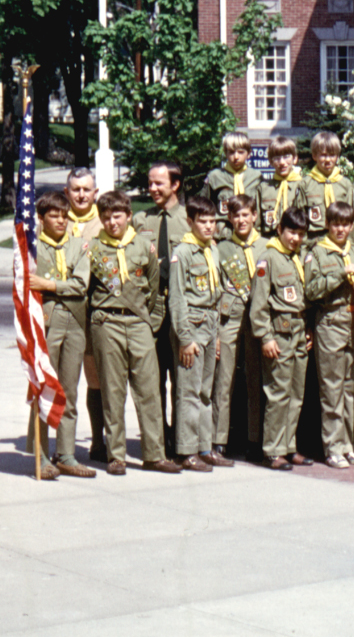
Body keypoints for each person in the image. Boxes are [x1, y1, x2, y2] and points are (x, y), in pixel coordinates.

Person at [88, 191, 182, 475]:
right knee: (112, 390)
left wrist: (149, 323)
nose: (111, 222)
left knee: (149, 390)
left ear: (129, 216)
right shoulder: (93, 249)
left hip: (139, 323)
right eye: (105, 217)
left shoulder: (144, 246)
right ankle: (116, 455)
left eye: (117, 216)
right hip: (107, 323)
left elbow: (154, 289)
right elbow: (87, 289)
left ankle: (154, 454)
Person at [28, 191, 94, 478]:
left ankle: (66, 453)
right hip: (45, 324)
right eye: (53, 216)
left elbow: (81, 285)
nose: (60, 221)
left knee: (68, 389)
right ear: (41, 219)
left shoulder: (78, 246)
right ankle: (41, 453)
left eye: (64, 216)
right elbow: (26, 284)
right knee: (43, 388)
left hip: (75, 323)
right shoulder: (32, 249)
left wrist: (48, 284)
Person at [133, 161, 190, 456]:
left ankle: (182, 441)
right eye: (150, 183)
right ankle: (157, 441)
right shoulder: (141, 220)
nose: (152, 188)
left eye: (159, 183)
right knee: (152, 379)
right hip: (151, 310)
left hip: (181, 309)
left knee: (182, 378)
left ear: (175, 185)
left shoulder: (190, 218)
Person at [170, 196, 230, 472]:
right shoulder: (183, 252)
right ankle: (186, 449)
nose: (209, 227)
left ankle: (205, 447)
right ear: (190, 222)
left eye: (212, 221)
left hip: (209, 323)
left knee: (206, 391)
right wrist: (185, 338)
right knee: (188, 390)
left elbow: (216, 295)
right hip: (191, 326)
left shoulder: (212, 250)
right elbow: (177, 298)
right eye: (202, 222)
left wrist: (216, 334)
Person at [250, 208, 312, 471]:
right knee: (278, 392)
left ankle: (289, 446)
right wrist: (265, 337)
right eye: (291, 232)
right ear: (279, 230)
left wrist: (306, 327)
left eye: (300, 233)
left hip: (298, 330)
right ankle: (273, 450)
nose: (295, 238)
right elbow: (258, 304)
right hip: (279, 333)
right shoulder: (269, 259)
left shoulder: (296, 257)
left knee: (296, 393)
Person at [305, 201, 354, 469]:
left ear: (352, 226)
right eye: (336, 224)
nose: (341, 229)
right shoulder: (317, 252)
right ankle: (332, 448)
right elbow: (311, 289)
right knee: (331, 389)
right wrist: (341, 274)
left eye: (346, 224)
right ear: (327, 225)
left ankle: (348, 445)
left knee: (351, 389)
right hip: (330, 321)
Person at [214, 194, 267, 459]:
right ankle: (219, 440)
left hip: (258, 319)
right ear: (230, 219)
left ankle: (255, 439)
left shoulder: (267, 247)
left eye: (246, 215)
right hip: (230, 317)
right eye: (235, 216)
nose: (241, 220)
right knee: (224, 380)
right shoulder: (221, 248)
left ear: (255, 216)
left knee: (255, 381)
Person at [63, 167, 106, 462]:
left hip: (92, 313)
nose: (81, 194)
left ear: (95, 193)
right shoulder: (54, 222)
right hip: (62, 312)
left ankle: (97, 440)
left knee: (95, 379)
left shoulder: (103, 225)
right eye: (75, 189)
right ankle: (63, 446)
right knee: (64, 381)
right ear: (67, 193)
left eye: (86, 189)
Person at [297, 131, 354, 246]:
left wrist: (351, 245)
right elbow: (300, 218)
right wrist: (303, 245)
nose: (328, 160)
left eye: (332, 155)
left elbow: (352, 219)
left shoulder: (345, 184)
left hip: (340, 242)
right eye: (323, 155)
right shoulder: (305, 184)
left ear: (337, 156)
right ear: (314, 156)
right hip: (314, 241)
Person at [201, 131, 262, 240]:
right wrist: (209, 237)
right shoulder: (215, 177)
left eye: (240, 152)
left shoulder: (256, 177)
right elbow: (203, 208)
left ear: (249, 153)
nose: (236, 157)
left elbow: (260, 208)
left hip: (250, 235)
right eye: (231, 152)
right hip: (223, 235)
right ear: (225, 153)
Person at [258, 136, 303, 237]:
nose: (282, 162)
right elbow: (257, 225)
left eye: (286, 156)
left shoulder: (303, 186)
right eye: (277, 158)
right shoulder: (264, 188)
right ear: (270, 161)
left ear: (295, 158)